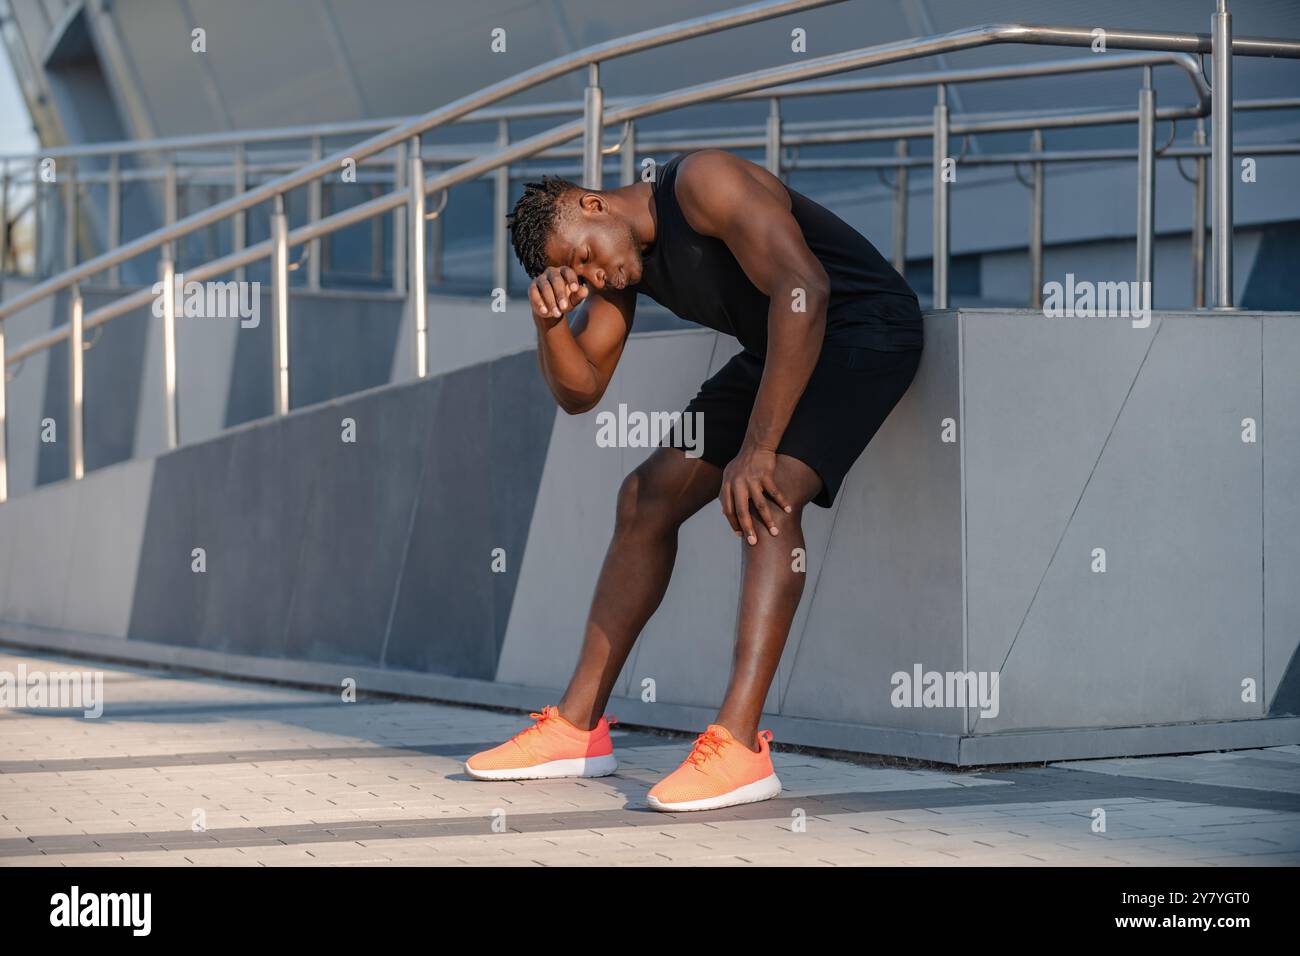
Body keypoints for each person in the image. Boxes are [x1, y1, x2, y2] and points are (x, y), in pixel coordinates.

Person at [466, 148, 922, 811]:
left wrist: (759, 448)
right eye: (578, 277)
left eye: (585, 257)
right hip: (780, 348)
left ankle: (739, 745)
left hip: (863, 332)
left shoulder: (701, 182)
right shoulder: (623, 269)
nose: (592, 276)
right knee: (644, 496)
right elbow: (581, 391)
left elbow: (805, 288)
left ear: (593, 204)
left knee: (765, 494)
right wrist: (550, 327)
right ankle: (576, 728)